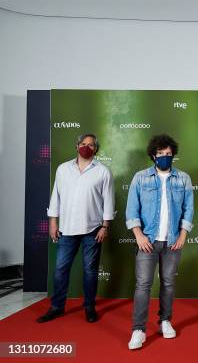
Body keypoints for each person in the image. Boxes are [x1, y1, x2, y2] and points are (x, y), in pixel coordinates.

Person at [126, 134, 194, 350]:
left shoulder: (183, 178)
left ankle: (165, 320)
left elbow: (189, 209)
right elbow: (131, 209)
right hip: (147, 240)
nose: (165, 157)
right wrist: (138, 235)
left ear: (173, 154)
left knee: (168, 283)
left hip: (173, 241)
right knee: (143, 285)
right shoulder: (140, 178)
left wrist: (183, 234)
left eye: (168, 154)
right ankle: (138, 329)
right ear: (153, 156)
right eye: (160, 154)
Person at [37, 133, 115, 324]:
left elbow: (109, 201)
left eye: (90, 145)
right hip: (67, 229)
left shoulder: (103, 171)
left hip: (93, 229)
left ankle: (89, 307)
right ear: (77, 146)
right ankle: (56, 307)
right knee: (60, 269)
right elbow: (55, 197)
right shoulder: (63, 169)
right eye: (83, 144)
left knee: (90, 271)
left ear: (96, 149)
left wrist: (105, 226)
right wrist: (53, 222)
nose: (86, 147)